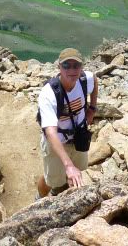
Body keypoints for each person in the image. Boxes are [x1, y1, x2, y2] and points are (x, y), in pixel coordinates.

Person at [36, 47, 99, 198]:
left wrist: (92, 108)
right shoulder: (49, 94)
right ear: (59, 67)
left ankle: (64, 191)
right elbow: (50, 132)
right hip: (57, 141)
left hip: (78, 137)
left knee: (79, 171)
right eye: (66, 66)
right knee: (52, 180)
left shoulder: (84, 79)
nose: (72, 70)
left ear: (81, 67)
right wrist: (68, 165)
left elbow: (95, 79)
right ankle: (41, 196)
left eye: (76, 65)